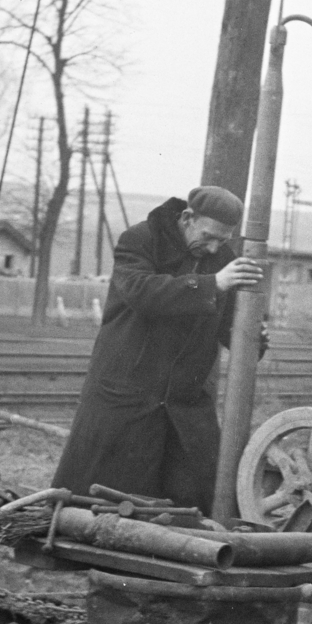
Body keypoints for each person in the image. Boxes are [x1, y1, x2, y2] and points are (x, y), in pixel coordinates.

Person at [53, 186, 260, 515]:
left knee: (191, 502)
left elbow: (229, 329)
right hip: (127, 392)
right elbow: (142, 293)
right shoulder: (140, 239)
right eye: (208, 236)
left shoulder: (222, 260)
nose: (213, 247)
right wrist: (212, 284)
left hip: (183, 403)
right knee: (97, 502)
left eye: (223, 240)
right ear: (187, 218)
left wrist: (252, 334)